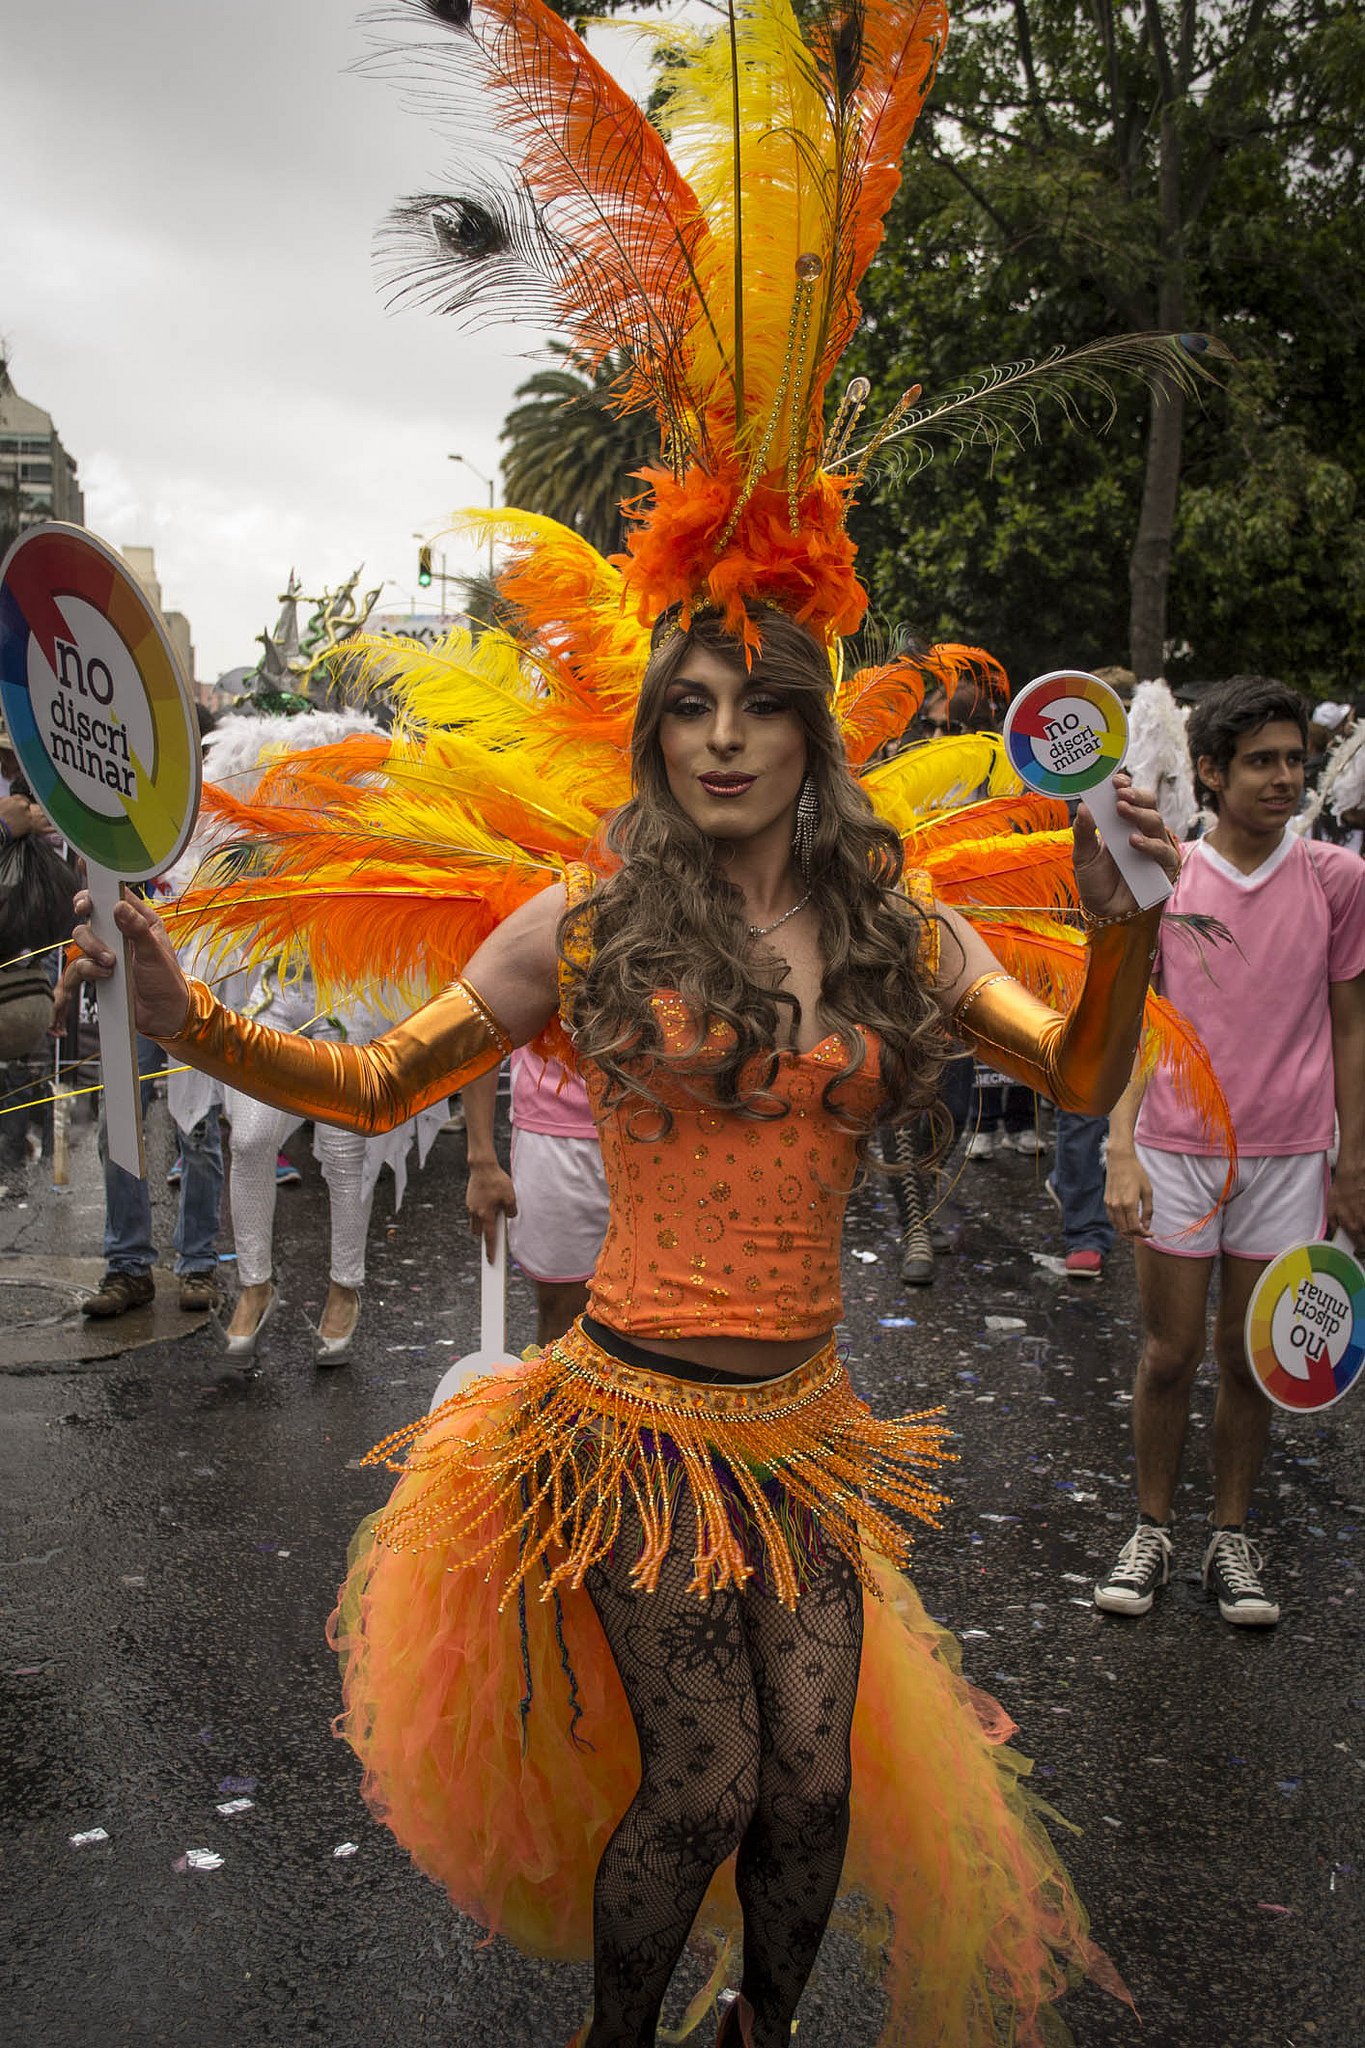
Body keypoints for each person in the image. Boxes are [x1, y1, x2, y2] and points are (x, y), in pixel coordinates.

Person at [71, 602, 1177, 2048]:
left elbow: (1081, 1073)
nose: (725, 739)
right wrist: (192, 1020)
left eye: (760, 706)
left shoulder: (894, 931)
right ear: (656, 732)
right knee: (706, 1777)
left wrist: (1124, 915)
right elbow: (371, 1083)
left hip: (804, 1432)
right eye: (692, 707)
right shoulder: (592, 925)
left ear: (808, 729)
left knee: (814, 1779)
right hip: (631, 1425)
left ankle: (759, 2031)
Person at [1098, 676, 1365, 1626]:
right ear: (1209, 772)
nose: (1282, 778)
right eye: (1259, 761)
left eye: (1294, 760)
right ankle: (1151, 1528)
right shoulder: (1166, 876)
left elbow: (1350, 1025)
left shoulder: (1337, 878)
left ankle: (1230, 1538)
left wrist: (1351, 1163)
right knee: (1169, 1354)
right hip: (1176, 1151)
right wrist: (1119, 1148)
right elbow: (1134, 1019)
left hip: (1290, 1160)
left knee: (1250, 1358)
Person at [463, 1049, 609, 1345]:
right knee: (564, 1322)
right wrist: (481, 1159)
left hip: (678, 1123)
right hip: (559, 1130)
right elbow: (483, 1023)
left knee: (675, 1322)